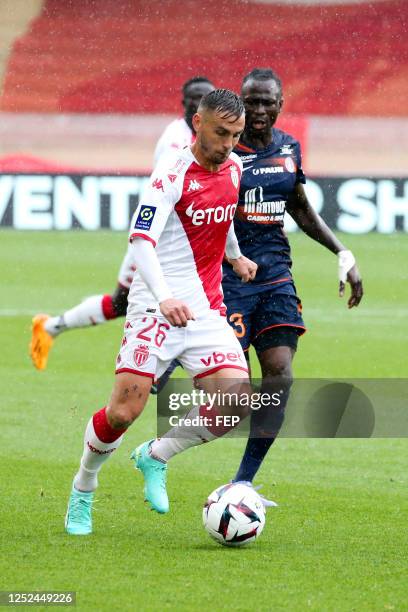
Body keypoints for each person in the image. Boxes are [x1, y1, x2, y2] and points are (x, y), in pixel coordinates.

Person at [65, 88, 258, 535]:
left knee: (237, 399)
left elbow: (224, 215)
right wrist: (166, 296)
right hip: (155, 307)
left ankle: (157, 455)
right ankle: (84, 488)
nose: (229, 143)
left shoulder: (234, 168)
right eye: (221, 132)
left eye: (236, 134)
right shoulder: (169, 175)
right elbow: (141, 243)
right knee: (122, 413)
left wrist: (234, 254)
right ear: (197, 124)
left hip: (206, 308)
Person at [222, 68, 363, 495]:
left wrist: (343, 252)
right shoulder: (226, 151)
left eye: (267, 101)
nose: (259, 109)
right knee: (233, 396)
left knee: (280, 376)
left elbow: (300, 208)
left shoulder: (288, 147)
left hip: (276, 277)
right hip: (228, 279)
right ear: (239, 101)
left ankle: (243, 482)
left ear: (281, 104)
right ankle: (160, 451)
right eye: (252, 100)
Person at [29, 77, 215, 371]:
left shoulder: (209, 137)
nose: (199, 104)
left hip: (186, 236)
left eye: (205, 99)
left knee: (134, 302)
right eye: (193, 99)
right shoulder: (176, 140)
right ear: (185, 105)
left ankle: (51, 327)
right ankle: (155, 365)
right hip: (158, 236)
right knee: (130, 302)